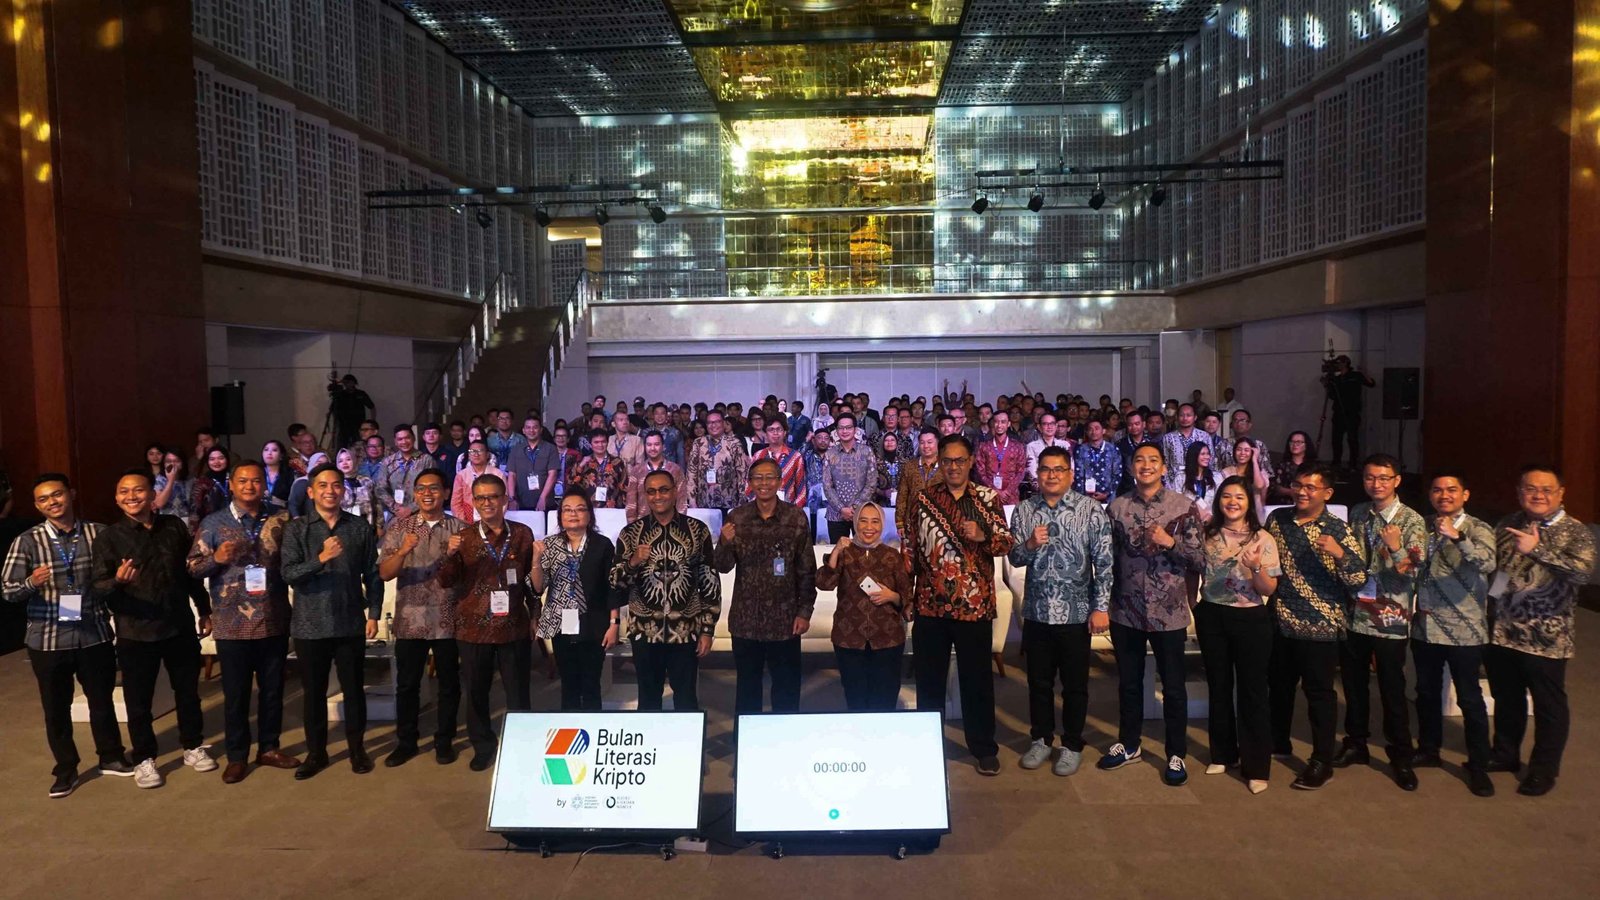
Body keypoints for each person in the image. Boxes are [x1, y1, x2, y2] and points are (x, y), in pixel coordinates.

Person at [2, 474, 132, 797]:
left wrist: (118, 579)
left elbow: (113, 576)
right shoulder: (27, 541)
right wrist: (31, 582)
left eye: (57, 495)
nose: (52, 502)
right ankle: (66, 768)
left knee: (101, 701)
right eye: (44, 499)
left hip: (93, 632)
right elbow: (8, 590)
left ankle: (111, 757)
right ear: (37, 506)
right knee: (56, 708)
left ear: (71, 494)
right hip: (48, 639)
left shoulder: (98, 533)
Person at [92, 469, 215, 789]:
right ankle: (144, 758)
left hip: (178, 625)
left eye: (138, 490)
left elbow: (190, 573)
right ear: (116, 498)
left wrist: (204, 609)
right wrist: (117, 581)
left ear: (151, 495)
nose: (131, 496)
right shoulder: (108, 538)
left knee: (188, 693)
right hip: (135, 631)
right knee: (138, 702)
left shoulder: (173, 526)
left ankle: (192, 746)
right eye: (124, 491)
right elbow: (98, 587)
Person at [903, 435, 1014, 775]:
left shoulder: (987, 498)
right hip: (930, 605)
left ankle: (983, 747)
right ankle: (929, 745)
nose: (953, 467)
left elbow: (1006, 542)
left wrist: (983, 536)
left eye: (959, 460)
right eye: (947, 461)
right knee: (929, 682)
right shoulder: (923, 499)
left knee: (977, 681)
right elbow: (911, 548)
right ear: (940, 463)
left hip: (974, 606)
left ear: (970, 462)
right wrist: (907, 594)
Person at [1485, 464, 1596, 796]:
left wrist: (1537, 551)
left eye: (1546, 490)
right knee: (1507, 698)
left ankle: (1543, 770)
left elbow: (1583, 574)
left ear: (1561, 493)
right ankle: (1505, 754)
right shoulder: (1508, 524)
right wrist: (1492, 604)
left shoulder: (1575, 531)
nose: (1538, 495)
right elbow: (1502, 571)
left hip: (1547, 637)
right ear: (1519, 492)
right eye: (1530, 488)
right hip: (1504, 632)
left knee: (1549, 706)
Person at [187, 462, 300, 783]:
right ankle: (237, 756)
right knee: (236, 695)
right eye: (243, 481)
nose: (250, 486)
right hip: (231, 622)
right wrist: (216, 559)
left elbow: (295, 561)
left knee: (273, 690)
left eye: (256, 480)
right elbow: (192, 567)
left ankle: (269, 748)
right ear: (232, 485)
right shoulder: (213, 522)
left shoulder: (282, 518)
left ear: (264, 484)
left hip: (273, 618)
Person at [1098, 444, 1204, 786]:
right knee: (1128, 683)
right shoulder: (1117, 507)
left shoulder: (1182, 506)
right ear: (1132, 467)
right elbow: (1106, 560)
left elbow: (1200, 560)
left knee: (1173, 686)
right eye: (1140, 460)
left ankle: (1176, 753)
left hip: (1168, 612)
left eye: (1153, 461)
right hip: (1125, 610)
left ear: (1163, 468)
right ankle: (1129, 744)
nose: (1146, 465)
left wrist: (1170, 542)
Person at [1008, 446, 1113, 777]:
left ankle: (1072, 744)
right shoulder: (1024, 510)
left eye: (1058, 469)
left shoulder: (1090, 510)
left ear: (1070, 473)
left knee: (1075, 685)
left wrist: (1101, 607)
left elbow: (1104, 563)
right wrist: (1029, 545)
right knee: (1038, 683)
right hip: (1037, 611)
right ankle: (1040, 739)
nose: (1051, 475)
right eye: (1045, 469)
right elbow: (1014, 558)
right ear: (1036, 474)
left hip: (1076, 613)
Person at [1265, 464, 1366, 790]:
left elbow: (1358, 580)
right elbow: (1268, 562)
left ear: (1327, 493)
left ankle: (1322, 761)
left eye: (1311, 487)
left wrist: (1340, 554)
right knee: (1278, 687)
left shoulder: (1337, 529)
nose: (1302, 492)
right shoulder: (1277, 519)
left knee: (1319, 695)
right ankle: (1278, 741)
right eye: (1298, 485)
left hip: (1321, 626)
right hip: (1280, 620)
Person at [280, 464, 382, 779]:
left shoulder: (359, 527)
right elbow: (289, 574)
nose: (330, 490)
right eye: (322, 485)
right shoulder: (297, 529)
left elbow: (372, 573)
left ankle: (357, 750)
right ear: (311, 492)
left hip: (350, 621)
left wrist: (374, 613)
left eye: (336, 485)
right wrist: (321, 559)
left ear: (343, 490)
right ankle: (317, 753)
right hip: (310, 625)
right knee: (314, 693)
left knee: (354, 690)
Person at [438, 472, 538, 771]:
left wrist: (535, 614)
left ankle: (520, 746)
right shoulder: (464, 537)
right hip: (473, 628)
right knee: (477, 693)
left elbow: (530, 582)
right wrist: (449, 554)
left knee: (518, 692)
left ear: (504, 499)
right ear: (473, 501)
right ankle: (483, 746)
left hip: (513, 626)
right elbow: (445, 581)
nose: (487, 503)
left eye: (493, 496)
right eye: (480, 498)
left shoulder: (522, 534)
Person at [1339, 453, 1426, 791]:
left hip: (1391, 616)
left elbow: (1413, 571)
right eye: (1370, 478)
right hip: (1357, 612)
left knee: (1391, 686)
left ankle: (1401, 754)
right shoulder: (1360, 513)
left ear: (1397, 481)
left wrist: (1396, 547)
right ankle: (1356, 742)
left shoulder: (1411, 520)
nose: (1376, 484)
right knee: (1354, 683)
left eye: (1384, 478)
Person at [1412, 471, 1497, 797]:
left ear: (1465, 494)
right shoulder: (1423, 526)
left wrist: (1458, 537)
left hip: (1465, 629)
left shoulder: (1477, 528)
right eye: (1437, 490)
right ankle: (1429, 749)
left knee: (1469, 698)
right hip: (1426, 626)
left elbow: (1487, 563)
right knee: (1426, 692)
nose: (1444, 495)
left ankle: (1478, 765)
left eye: (1451, 490)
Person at [1197, 476, 1281, 794]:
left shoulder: (1263, 538)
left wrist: (1256, 567)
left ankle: (1256, 767)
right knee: (1218, 686)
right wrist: (1194, 605)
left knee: (1252, 691)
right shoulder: (1207, 535)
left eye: (1240, 497)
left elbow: (1268, 589)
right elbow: (1193, 571)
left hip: (1251, 619)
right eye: (1227, 496)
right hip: (1212, 615)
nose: (1232, 502)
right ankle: (1223, 753)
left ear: (1249, 503)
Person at [610, 470, 720, 710]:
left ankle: (686, 737)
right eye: (651, 491)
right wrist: (633, 562)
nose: (657, 496)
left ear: (675, 492)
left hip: (686, 630)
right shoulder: (631, 534)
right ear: (645, 495)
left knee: (687, 700)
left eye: (663, 490)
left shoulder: (697, 530)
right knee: (648, 700)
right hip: (645, 632)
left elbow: (709, 583)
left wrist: (707, 630)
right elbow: (615, 584)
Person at [376, 469, 464, 767]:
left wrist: (455, 554)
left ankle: (444, 741)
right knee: (407, 685)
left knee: (449, 684)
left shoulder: (460, 529)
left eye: (434, 488)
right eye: (422, 488)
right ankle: (406, 742)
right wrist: (402, 551)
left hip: (447, 618)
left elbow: (468, 574)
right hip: (410, 619)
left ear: (446, 492)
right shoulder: (400, 527)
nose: (428, 494)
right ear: (414, 494)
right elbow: (385, 573)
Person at [715, 458, 815, 712]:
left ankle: (783, 734)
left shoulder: (795, 517)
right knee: (747, 689)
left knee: (786, 688)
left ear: (780, 482)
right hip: (746, 621)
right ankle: (747, 735)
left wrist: (805, 611)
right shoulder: (737, 517)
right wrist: (723, 542)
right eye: (758, 478)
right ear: (750, 483)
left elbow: (806, 569)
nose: (764, 483)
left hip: (785, 620)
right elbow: (723, 566)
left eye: (770, 477)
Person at [531, 493, 621, 711]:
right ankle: (570, 728)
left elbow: (612, 586)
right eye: (567, 509)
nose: (573, 514)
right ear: (560, 515)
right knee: (568, 684)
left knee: (591, 685)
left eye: (580, 509)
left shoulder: (602, 545)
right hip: (561, 624)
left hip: (594, 623)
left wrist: (614, 623)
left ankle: (592, 727)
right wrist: (536, 561)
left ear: (589, 515)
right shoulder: (550, 545)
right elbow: (538, 587)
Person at [817, 503, 910, 711]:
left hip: (887, 639)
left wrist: (892, 596)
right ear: (855, 523)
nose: (869, 527)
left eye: (875, 521)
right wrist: (836, 551)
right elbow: (824, 584)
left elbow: (907, 598)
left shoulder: (892, 556)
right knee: (855, 698)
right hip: (849, 639)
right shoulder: (845, 553)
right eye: (863, 521)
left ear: (882, 525)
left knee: (885, 699)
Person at [821, 413, 876, 542]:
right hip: (836, 514)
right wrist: (841, 508)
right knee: (839, 551)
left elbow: (872, 483)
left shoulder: (867, 452)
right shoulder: (830, 454)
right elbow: (827, 486)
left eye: (848, 427)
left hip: (862, 513)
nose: (845, 431)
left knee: (863, 551)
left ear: (855, 430)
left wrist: (855, 507)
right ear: (836, 431)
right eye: (841, 428)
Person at [687, 410, 750, 511]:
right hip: (704, 501)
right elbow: (691, 472)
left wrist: (742, 500)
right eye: (710, 422)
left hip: (729, 502)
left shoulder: (733, 443)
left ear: (723, 423)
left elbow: (742, 472)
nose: (713, 425)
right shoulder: (698, 443)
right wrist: (692, 500)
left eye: (717, 422)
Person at [373, 425, 436, 524]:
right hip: (395, 516)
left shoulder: (426, 460)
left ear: (414, 438)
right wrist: (395, 507)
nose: (404, 442)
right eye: (400, 439)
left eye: (407, 438)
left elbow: (434, 488)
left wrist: (411, 508)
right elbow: (380, 489)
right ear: (395, 441)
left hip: (421, 514)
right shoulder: (388, 462)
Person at [1322, 355, 1374, 467]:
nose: (1337, 365)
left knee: (1352, 439)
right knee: (1336, 439)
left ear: (1345, 363)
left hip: (1352, 412)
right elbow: (1332, 396)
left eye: (1339, 362)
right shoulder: (1336, 379)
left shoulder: (1355, 376)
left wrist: (1363, 372)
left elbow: (1371, 384)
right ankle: (1336, 462)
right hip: (1338, 413)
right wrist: (1326, 385)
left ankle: (1353, 463)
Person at [895, 430, 943, 539]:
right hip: (912, 521)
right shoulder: (909, 466)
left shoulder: (946, 466)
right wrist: (899, 522)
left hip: (939, 522)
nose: (926, 446)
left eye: (929, 442)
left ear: (938, 443)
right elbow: (902, 495)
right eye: (922, 442)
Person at [505, 415, 558, 513]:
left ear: (541, 430)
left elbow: (553, 474)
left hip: (545, 502)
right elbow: (511, 475)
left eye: (535, 427)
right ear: (523, 430)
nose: (531, 430)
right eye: (528, 427)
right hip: (521, 503)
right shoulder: (516, 449)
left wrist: (543, 498)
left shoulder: (551, 449)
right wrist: (512, 499)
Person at [751, 418, 808, 505]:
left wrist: (793, 510)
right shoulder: (758, 456)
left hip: (788, 509)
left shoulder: (796, 457)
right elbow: (750, 486)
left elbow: (801, 490)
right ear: (765, 434)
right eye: (771, 430)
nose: (775, 433)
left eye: (779, 429)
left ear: (784, 433)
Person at [975, 410, 1026, 505]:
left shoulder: (1018, 446)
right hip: (989, 494)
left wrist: (1008, 491)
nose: (999, 425)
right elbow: (980, 472)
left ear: (1008, 424)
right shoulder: (984, 446)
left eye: (1003, 422)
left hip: (1011, 495)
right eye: (996, 422)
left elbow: (1021, 471)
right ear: (993, 424)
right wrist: (995, 491)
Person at [1160, 403, 1213, 492]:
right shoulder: (1168, 438)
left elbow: (1211, 461)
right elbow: (1165, 463)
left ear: (1195, 417)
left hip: (1199, 483)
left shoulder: (1204, 436)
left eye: (1188, 415)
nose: (1185, 418)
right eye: (1182, 415)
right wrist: (1168, 484)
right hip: (1174, 485)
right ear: (1177, 417)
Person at [573, 428, 628, 509]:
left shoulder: (617, 462)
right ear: (590, 444)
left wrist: (624, 508)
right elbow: (572, 484)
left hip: (613, 509)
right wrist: (581, 466)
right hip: (589, 508)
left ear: (607, 442)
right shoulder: (583, 462)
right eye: (596, 442)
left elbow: (624, 486)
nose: (600, 445)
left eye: (603, 442)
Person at [1073, 418, 1122, 503]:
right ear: (1087, 432)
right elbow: (1078, 475)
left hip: (1108, 497)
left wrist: (1107, 493)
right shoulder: (1081, 449)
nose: (1093, 432)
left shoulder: (1113, 449)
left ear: (1104, 431)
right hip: (1085, 497)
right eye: (1090, 429)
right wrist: (1083, 496)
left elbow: (1118, 474)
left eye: (1097, 428)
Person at [450, 441, 497, 523]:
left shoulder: (497, 474)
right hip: (466, 521)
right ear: (468, 455)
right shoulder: (461, 475)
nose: (476, 454)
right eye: (472, 451)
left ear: (487, 454)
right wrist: (464, 522)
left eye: (480, 451)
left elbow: (502, 502)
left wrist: (492, 521)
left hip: (492, 520)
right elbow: (455, 503)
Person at [1223, 436, 1270, 519]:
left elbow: (1259, 486)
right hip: (1232, 513)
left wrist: (1254, 460)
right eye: (1239, 449)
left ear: (1252, 453)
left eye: (1246, 450)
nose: (1242, 453)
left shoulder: (1261, 473)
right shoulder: (1226, 472)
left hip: (1254, 515)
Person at [188, 446, 233, 530]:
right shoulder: (201, 483)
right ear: (207, 462)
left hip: (235, 525)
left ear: (227, 459)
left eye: (221, 458)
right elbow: (194, 511)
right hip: (210, 527)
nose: (216, 462)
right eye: (212, 459)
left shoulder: (235, 478)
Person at [328, 373, 374, 451]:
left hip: (358, 425)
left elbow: (372, 407)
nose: (347, 384)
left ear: (353, 382)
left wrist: (372, 422)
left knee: (358, 446)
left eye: (349, 382)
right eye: (345, 383)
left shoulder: (360, 394)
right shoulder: (340, 395)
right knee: (342, 447)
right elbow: (332, 410)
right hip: (343, 425)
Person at [1268, 431, 1316, 505]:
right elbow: (1275, 487)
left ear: (1306, 445)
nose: (1295, 445)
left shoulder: (1313, 465)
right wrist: (1291, 492)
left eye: (1299, 442)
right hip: (1285, 504)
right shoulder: (1282, 465)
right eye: (1292, 442)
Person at [1114, 410, 1152, 497]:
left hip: (1149, 487)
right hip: (1126, 489)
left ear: (1144, 424)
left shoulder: (1152, 443)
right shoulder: (1120, 445)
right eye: (1130, 425)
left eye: (1137, 424)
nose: (1134, 427)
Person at [260, 440, 294, 512]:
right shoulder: (256, 472)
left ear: (281, 456)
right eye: (266, 450)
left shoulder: (290, 474)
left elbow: (293, 501)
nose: (269, 453)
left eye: (274, 450)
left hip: (282, 514)